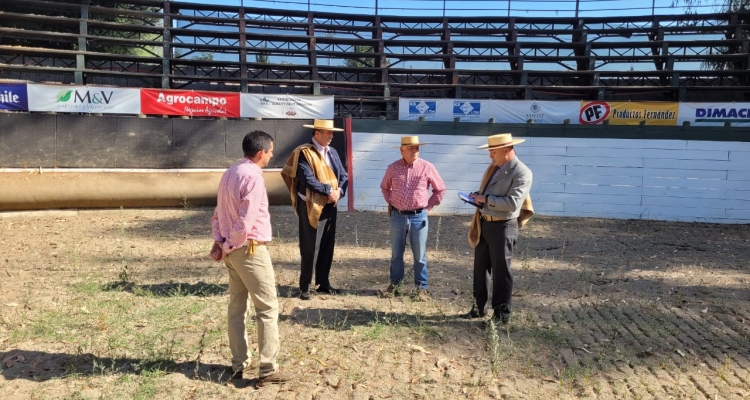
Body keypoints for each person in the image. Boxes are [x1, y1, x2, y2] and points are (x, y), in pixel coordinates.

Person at [210, 130, 294, 386]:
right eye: (270, 151)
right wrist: (231, 243)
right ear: (261, 153)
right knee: (267, 307)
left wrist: (221, 244)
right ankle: (268, 369)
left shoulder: (230, 173)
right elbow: (246, 221)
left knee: (237, 308)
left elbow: (217, 214)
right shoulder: (253, 177)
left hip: (233, 251)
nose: (270, 156)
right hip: (249, 249)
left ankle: (239, 363)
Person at [466, 133, 534, 324]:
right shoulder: (495, 168)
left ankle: (501, 315)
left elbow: (513, 204)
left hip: (503, 226)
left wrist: (485, 199)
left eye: (493, 152)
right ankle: (478, 308)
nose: (490, 156)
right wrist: (477, 195)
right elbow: (490, 194)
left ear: (506, 150)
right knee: (481, 268)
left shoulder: (522, 172)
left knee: (501, 271)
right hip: (486, 222)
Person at [281, 119, 348, 301]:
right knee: (310, 246)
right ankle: (305, 287)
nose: (332, 136)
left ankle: (323, 283)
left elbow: (343, 175)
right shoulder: (304, 153)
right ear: (317, 133)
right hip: (311, 205)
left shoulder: (332, 152)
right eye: (328, 133)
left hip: (330, 205)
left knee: (327, 245)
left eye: (332, 133)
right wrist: (329, 191)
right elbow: (307, 179)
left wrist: (339, 192)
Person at [380, 136, 446, 299]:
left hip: (418, 216)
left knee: (420, 254)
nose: (415, 151)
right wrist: (392, 202)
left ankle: (421, 288)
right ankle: (395, 284)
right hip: (397, 216)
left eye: (417, 148)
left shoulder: (427, 167)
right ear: (402, 150)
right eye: (411, 148)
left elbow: (440, 190)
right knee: (396, 253)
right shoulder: (393, 168)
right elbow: (385, 187)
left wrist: (428, 207)